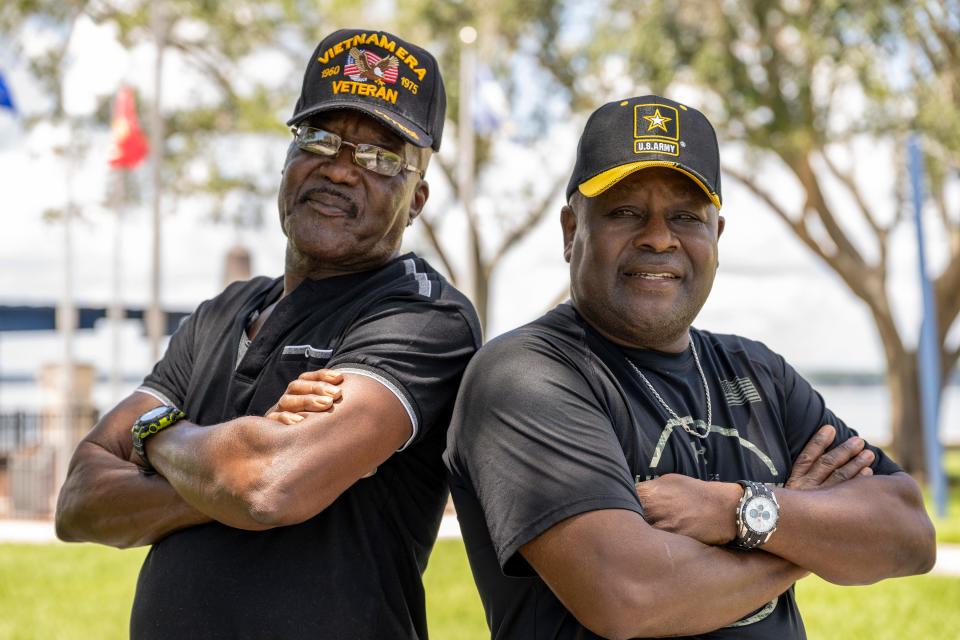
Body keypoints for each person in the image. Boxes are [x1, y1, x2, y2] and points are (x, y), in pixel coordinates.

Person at [444, 95, 936, 639]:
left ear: (716, 237)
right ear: (570, 231)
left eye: (685, 216)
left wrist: (736, 510)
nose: (659, 237)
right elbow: (629, 596)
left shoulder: (758, 372)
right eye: (625, 212)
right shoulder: (525, 376)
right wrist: (804, 533)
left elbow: (910, 534)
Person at [55, 28, 481, 639]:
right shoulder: (220, 314)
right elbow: (78, 502)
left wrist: (156, 441)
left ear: (417, 199)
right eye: (319, 138)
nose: (340, 169)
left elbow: (268, 486)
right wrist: (224, 464)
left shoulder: (423, 319)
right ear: (287, 158)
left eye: (381, 158)